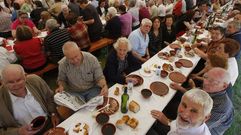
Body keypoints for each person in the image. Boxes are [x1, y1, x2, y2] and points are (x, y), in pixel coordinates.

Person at [170, 68, 234, 135]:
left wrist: (167, 122)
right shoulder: (211, 89)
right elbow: (194, 100)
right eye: (206, 77)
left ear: (224, 86)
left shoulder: (221, 106)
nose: (205, 82)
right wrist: (181, 88)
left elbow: (196, 124)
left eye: (212, 81)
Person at [0, 64, 60, 135]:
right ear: (2, 82)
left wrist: (53, 113)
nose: (16, 85)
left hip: (51, 123)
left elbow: (49, 97)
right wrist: (18, 132)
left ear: (25, 76)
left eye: (19, 80)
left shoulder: (35, 80)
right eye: (10, 82)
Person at [148, 88, 213, 135]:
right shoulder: (188, 122)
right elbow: (176, 124)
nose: (184, 115)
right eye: (184, 105)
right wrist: (167, 121)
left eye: (194, 111)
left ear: (206, 117)